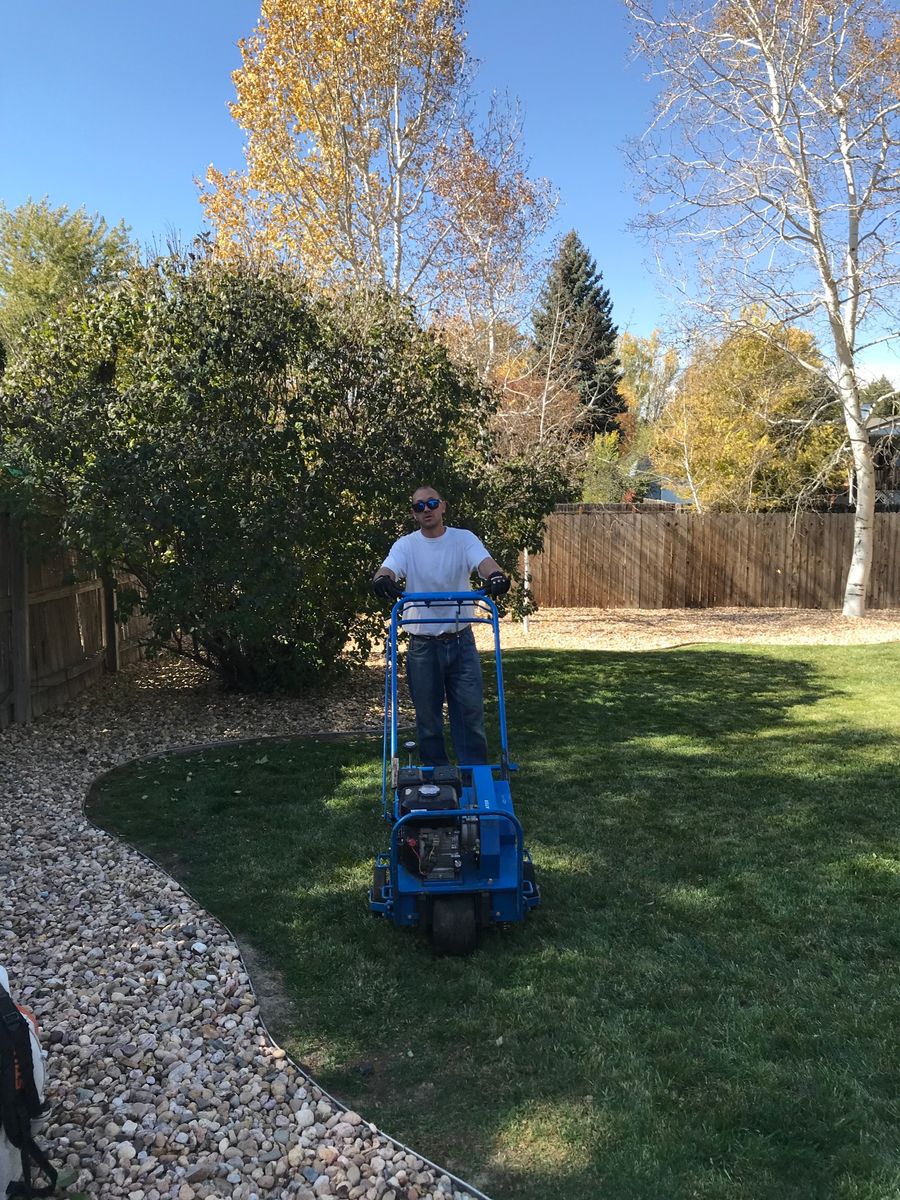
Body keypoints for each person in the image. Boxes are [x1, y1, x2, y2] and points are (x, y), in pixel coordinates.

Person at [372, 486, 510, 767]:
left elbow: (483, 562)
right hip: (423, 645)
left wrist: (495, 575)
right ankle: (436, 785)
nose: (426, 510)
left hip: (461, 641)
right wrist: (382, 580)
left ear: (443, 506)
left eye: (432, 503)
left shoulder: (463, 539)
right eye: (419, 506)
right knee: (428, 719)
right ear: (414, 513)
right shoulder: (406, 545)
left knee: (470, 714)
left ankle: (474, 783)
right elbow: (388, 568)